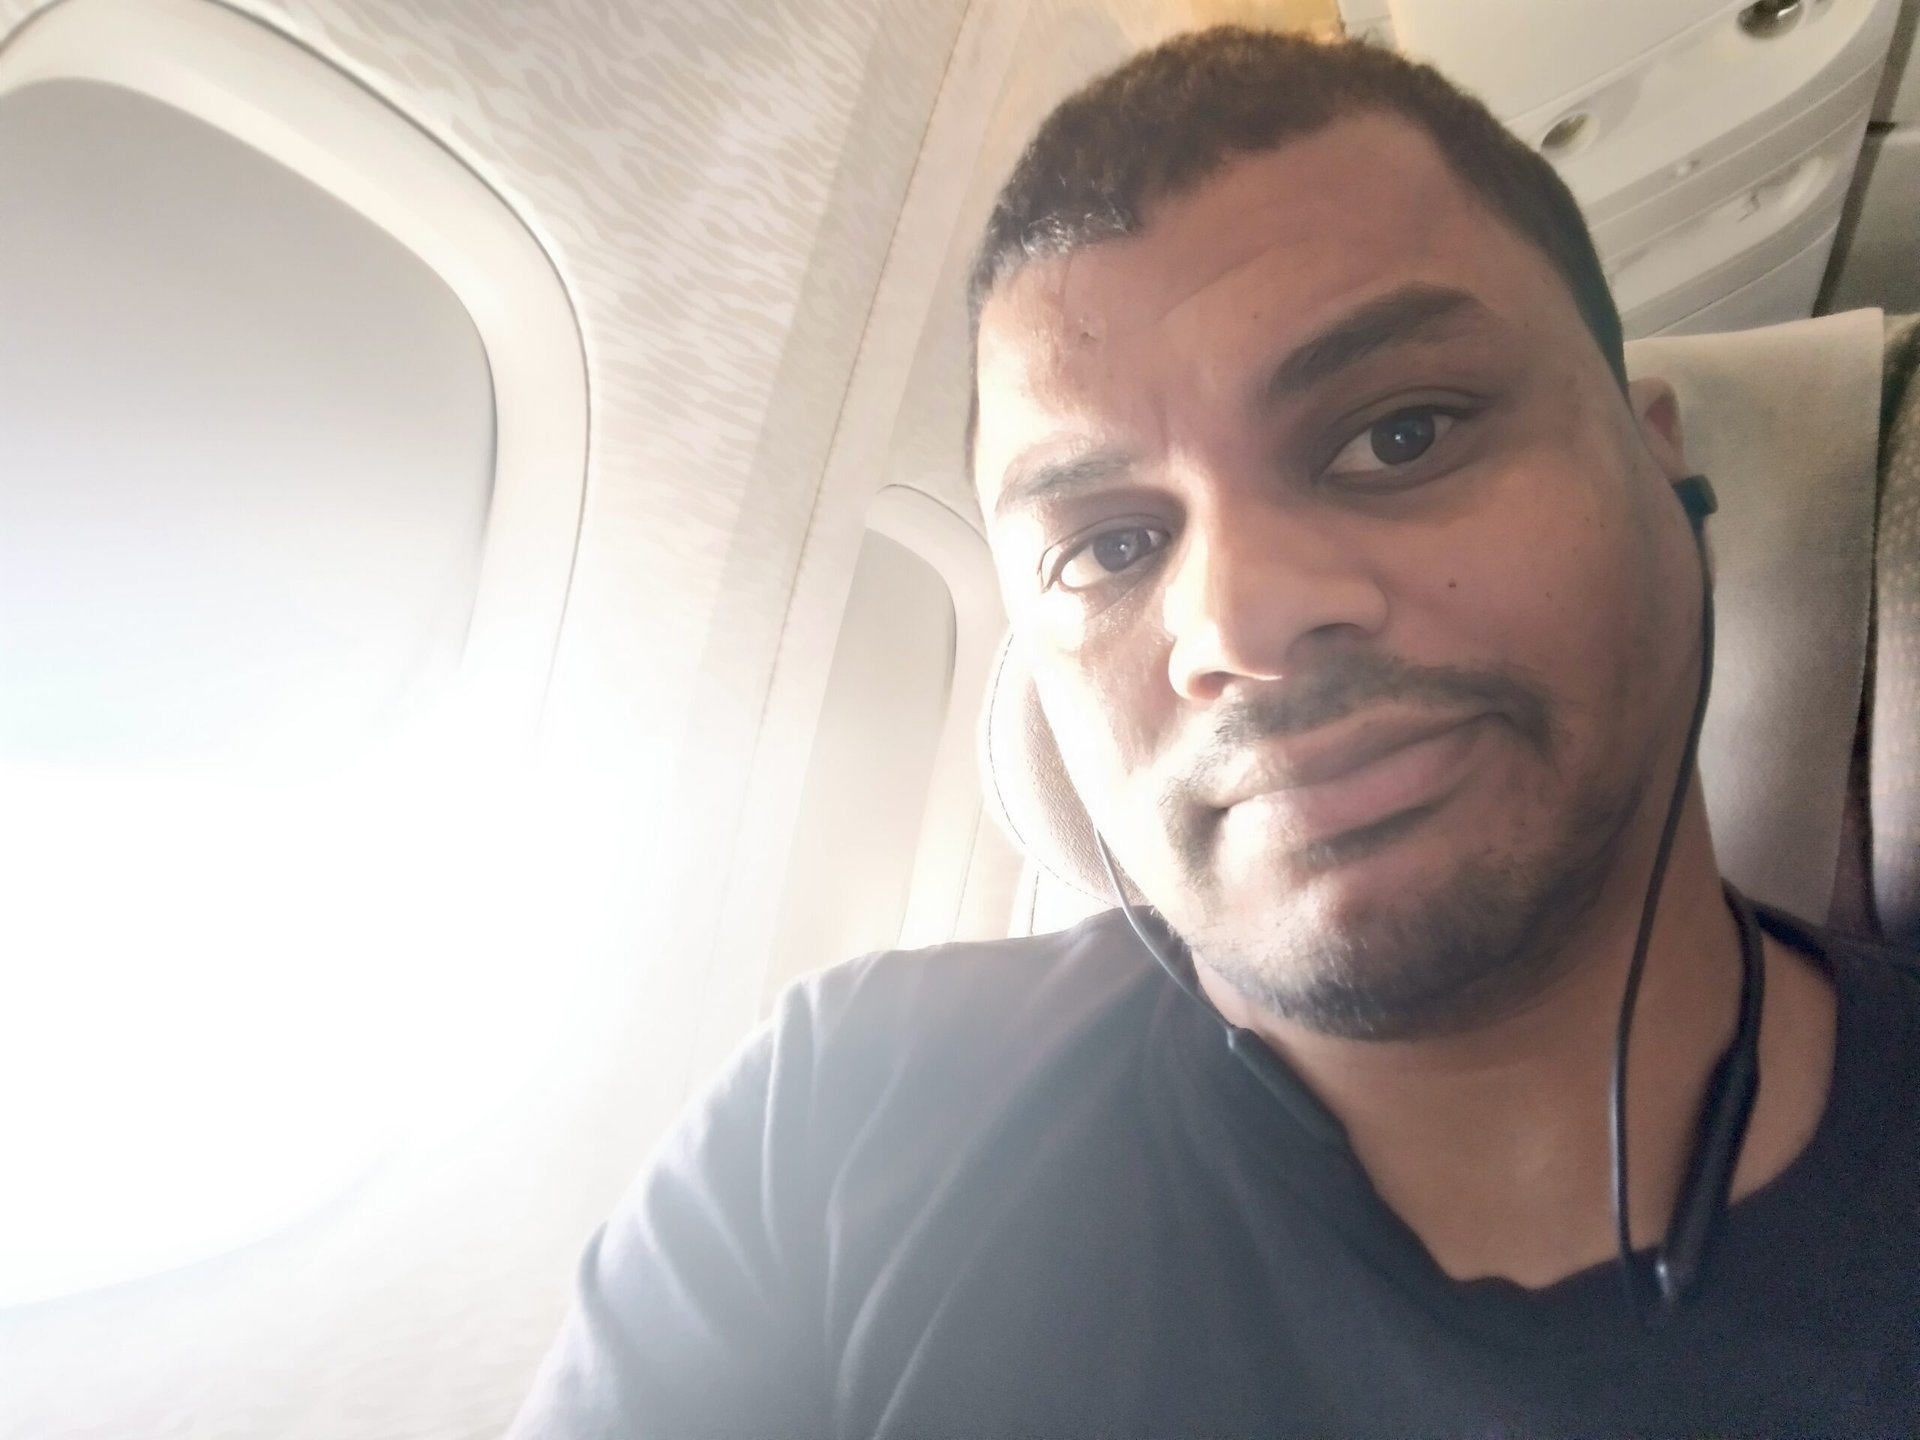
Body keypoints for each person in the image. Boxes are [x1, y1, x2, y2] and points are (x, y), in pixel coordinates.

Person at [511, 28, 1920, 1438]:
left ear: (1659, 456)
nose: (1237, 622)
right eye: (1111, 546)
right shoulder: (831, 1130)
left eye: (1402, 434)